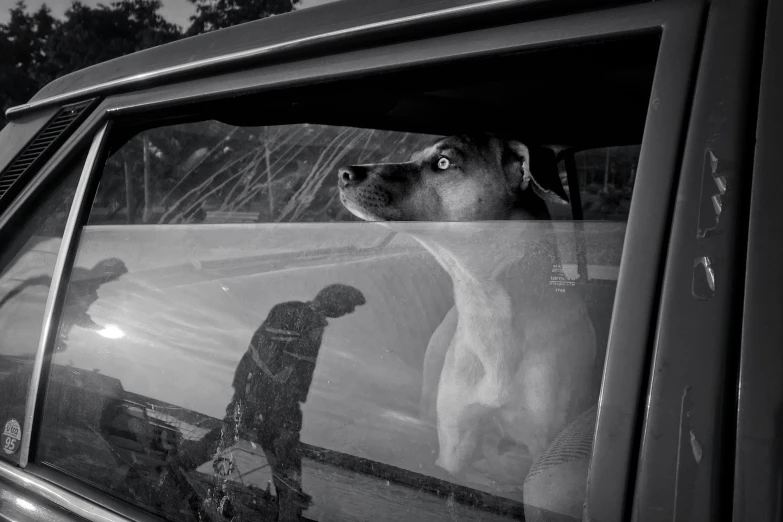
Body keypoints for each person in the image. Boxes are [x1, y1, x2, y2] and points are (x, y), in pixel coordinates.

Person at [191, 283, 366, 521]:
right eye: (347, 307)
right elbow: (264, 357)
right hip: (266, 399)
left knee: (258, 447)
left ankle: (289, 506)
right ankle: (179, 465)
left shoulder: (307, 318)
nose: (346, 312)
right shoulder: (297, 314)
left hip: (271, 399)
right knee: (278, 454)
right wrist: (266, 405)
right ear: (333, 299)